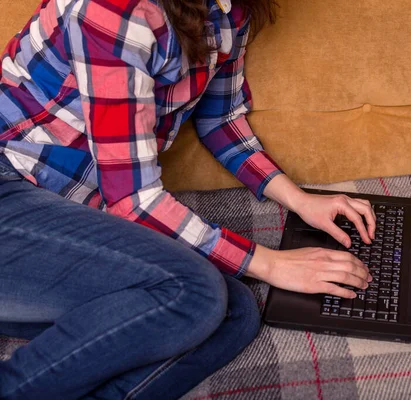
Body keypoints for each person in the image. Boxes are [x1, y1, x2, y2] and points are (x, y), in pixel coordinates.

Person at [0, 0, 376, 398]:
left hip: (71, 222)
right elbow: (134, 200)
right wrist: (271, 263)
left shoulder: (229, 11)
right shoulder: (112, 9)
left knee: (235, 309)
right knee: (195, 292)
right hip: (10, 193)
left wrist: (302, 201)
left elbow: (222, 119)